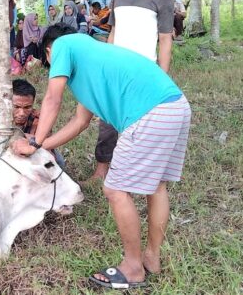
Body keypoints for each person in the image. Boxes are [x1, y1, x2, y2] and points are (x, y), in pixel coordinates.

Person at [12, 24, 191, 289]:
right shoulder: (92, 61)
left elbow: (52, 98)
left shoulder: (64, 44)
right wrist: (42, 146)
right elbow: (80, 121)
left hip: (148, 113)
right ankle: (151, 259)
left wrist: (35, 140)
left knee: (115, 190)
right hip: (176, 107)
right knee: (157, 186)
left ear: (49, 53)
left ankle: (132, 268)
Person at [91, 0, 175, 181]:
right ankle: (102, 168)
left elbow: (165, 40)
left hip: (144, 71)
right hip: (116, 69)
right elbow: (114, 32)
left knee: (140, 123)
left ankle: (140, 173)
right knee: (107, 120)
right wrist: (104, 63)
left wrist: (162, 75)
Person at [0, 79, 65, 169]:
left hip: (29, 160)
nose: (22, 113)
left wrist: (30, 140)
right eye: (16, 107)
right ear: (7, 104)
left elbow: (50, 154)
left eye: (27, 107)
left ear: (33, 104)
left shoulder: (40, 120)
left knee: (59, 162)